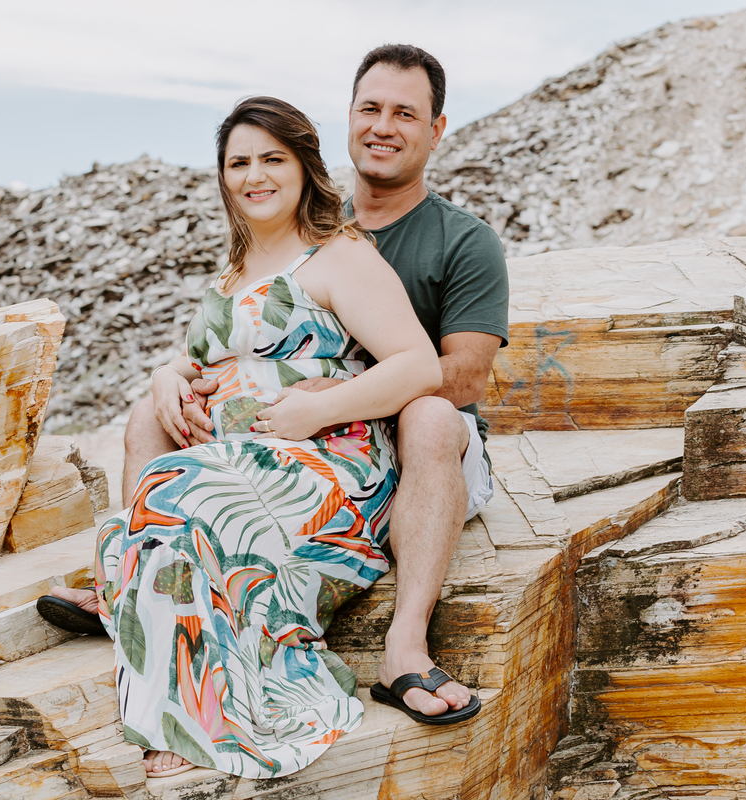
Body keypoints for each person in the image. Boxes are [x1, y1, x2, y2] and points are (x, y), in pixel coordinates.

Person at [88, 44, 510, 735]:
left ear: (436, 130)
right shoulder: (294, 220)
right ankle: (128, 581)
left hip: (414, 436)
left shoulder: (459, 240)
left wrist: (335, 392)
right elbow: (239, 338)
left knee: (431, 416)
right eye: (370, 108)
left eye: (405, 113)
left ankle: (405, 646)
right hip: (296, 429)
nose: (383, 126)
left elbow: (456, 375)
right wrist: (174, 376)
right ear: (348, 117)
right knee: (149, 417)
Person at [41, 95, 458, 779]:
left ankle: (193, 716)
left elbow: (418, 364)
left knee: (173, 491)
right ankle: (154, 643)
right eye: (239, 163)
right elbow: (208, 359)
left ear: (303, 168)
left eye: (272, 159)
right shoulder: (232, 274)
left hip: (325, 465)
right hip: (240, 461)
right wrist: (168, 375)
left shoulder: (340, 255)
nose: (255, 175)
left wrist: (317, 413)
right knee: (156, 448)